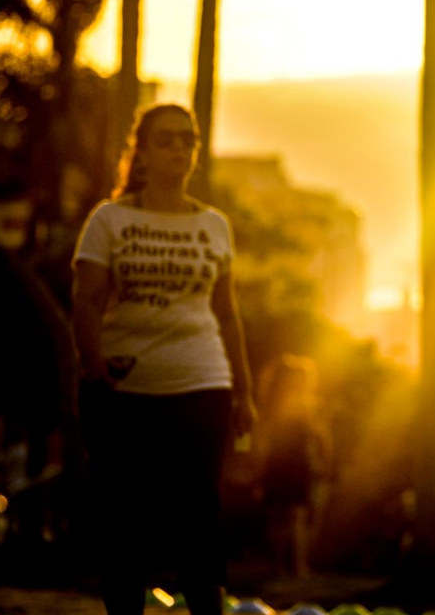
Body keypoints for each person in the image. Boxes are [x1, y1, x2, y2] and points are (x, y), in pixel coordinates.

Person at [72, 103, 256, 615]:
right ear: (142, 152)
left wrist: (244, 390)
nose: (178, 148)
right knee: (125, 526)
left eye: (187, 140)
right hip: (124, 393)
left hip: (202, 386)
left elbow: (228, 313)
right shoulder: (110, 220)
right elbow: (85, 301)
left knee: (198, 521)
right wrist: (93, 366)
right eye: (165, 139)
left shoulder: (215, 226)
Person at [256, 353, 331, 577]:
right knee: (293, 515)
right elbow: (321, 436)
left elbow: (263, 437)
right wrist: (325, 460)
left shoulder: (271, 404)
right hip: (296, 464)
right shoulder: (307, 405)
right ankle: (296, 566)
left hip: (284, 464)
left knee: (281, 515)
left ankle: (282, 564)